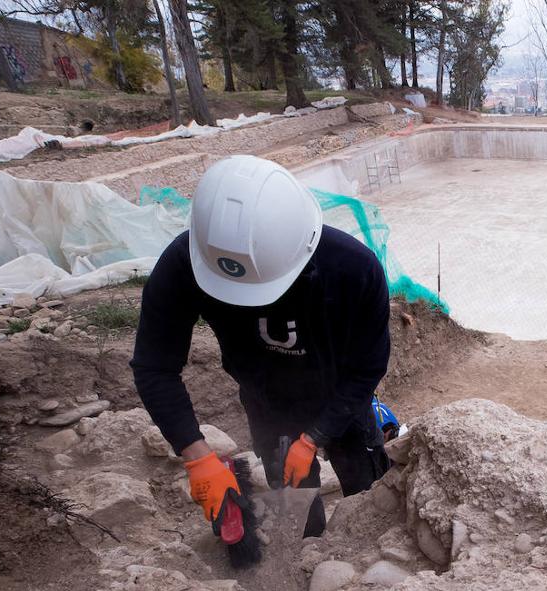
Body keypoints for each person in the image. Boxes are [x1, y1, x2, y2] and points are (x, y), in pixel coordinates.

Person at [131, 155, 391, 541]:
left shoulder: (353, 269)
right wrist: (197, 455)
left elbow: (367, 368)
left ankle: (368, 555)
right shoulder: (185, 265)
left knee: (368, 496)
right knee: (297, 510)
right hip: (267, 402)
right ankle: (308, 552)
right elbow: (155, 366)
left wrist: (316, 435)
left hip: (341, 397)